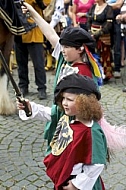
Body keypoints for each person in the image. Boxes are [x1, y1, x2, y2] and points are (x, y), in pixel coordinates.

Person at [21, 2, 126, 156]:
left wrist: (34, 109)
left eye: (66, 47)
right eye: (62, 46)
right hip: (63, 123)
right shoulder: (67, 59)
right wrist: (33, 13)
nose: (62, 50)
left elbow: (68, 112)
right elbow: (50, 34)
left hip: (73, 133)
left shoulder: (82, 75)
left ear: (80, 49)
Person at [17, 73, 108, 190]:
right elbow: (49, 113)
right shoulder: (69, 115)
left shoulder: (91, 131)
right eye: (63, 98)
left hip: (78, 183)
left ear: (84, 103)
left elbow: (97, 164)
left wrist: (76, 184)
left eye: (70, 99)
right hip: (65, 177)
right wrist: (30, 107)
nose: (64, 102)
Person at [14, 0, 50, 100]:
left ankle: (41, 88)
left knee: (38, 64)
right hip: (19, 32)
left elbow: (43, 5)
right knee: (21, 63)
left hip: (35, 32)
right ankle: (23, 86)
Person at [87, 0, 114, 82]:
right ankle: (95, 73)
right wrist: (89, 31)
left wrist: (99, 33)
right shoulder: (93, 7)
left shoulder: (108, 8)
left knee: (104, 55)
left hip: (103, 36)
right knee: (93, 55)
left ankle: (105, 74)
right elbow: (89, 20)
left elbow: (109, 24)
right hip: (92, 35)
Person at [108, 0, 124, 78]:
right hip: (105, 20)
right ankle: (109, 67)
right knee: (106, 45)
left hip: (116, 20)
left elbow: (118, 5)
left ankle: (117, 69)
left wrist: (105, 6)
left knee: (117, 46)